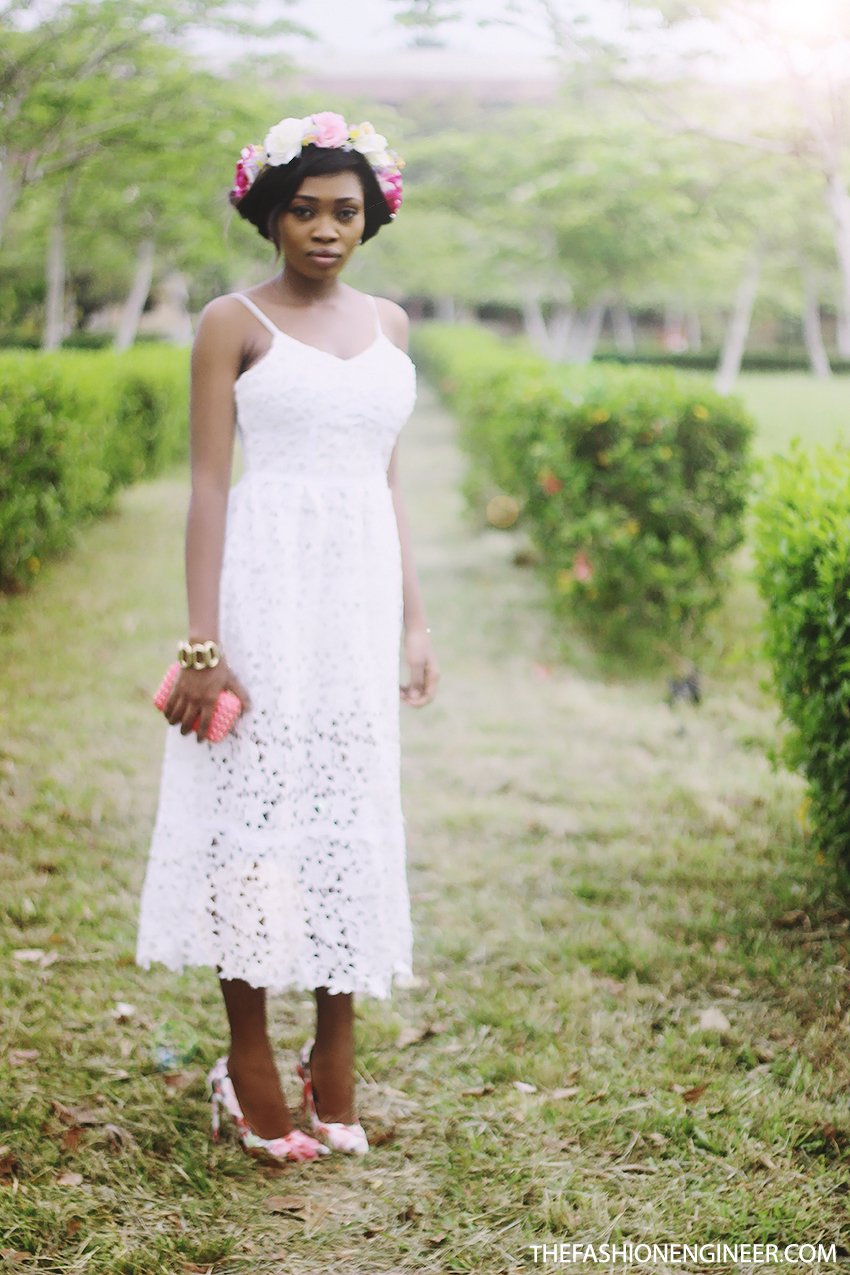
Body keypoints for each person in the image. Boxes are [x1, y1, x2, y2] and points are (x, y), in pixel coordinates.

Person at [135, 111, 439, 1164]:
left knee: (346, 808)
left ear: (371, 217)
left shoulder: (391, 325)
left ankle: (336, 1046)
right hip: (264, 591)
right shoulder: (232, 320)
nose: (324, 229)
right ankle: (249, 1054)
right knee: (250, 818)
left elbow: (386, 481)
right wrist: (204, 641)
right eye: (303, 210)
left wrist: (413, 621)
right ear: (270, 215)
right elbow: (209, 486)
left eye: (345, 211)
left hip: (355, 603)